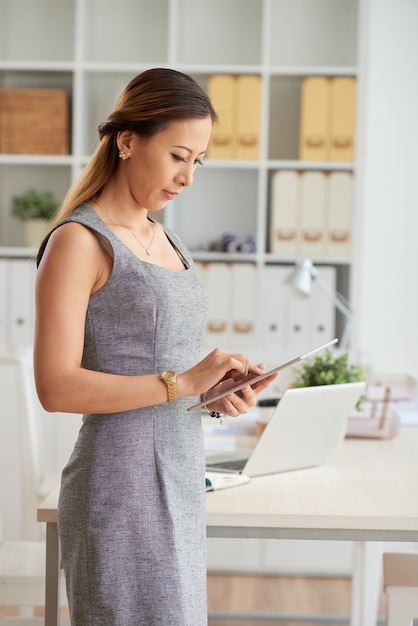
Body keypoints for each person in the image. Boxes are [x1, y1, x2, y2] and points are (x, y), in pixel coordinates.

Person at [34, 67, 276, 626]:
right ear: (126, 141)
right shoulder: (79, 241)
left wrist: (212, 392)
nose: (188, 177)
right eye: (177, 156)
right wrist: (182, 382)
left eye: (199, 161)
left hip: (180, 477)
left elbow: (164, 374)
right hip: (117, 489)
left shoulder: (167, 239)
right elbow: (55, 386)